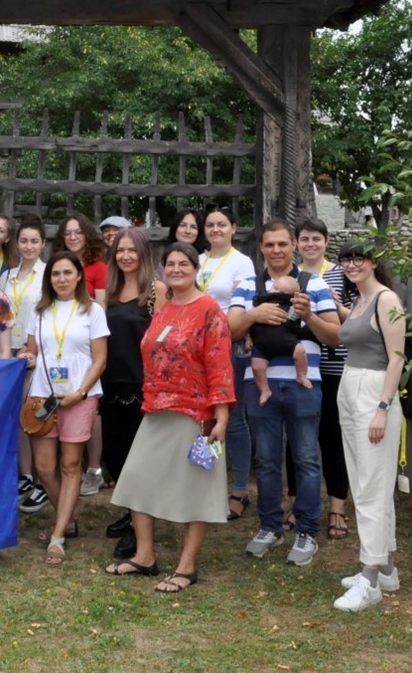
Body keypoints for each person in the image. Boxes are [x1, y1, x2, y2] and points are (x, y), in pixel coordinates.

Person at [105, 242, 234, 592]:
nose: (176, 269)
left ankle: (187, 567)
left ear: (196, 269)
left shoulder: (209, 309)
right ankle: (145, 556)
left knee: (198, 491)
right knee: (134, 480)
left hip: (197, 415)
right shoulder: (163, 307)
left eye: (183, 264)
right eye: (171, 265)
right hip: (157, 409)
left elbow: (220, 365)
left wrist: (220, 417)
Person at [231, 219, 340, 567]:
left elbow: (334, 336)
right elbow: (230, 329)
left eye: (282, 244)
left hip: (303, 382)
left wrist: (310, 317)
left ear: (293, 245)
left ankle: (306, 530)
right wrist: (253, 314)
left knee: (306, 458)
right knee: (264, 459)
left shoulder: (314, 283)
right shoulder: (248, 284)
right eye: (269, 245)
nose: (276, 251)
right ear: (260, 248)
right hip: (259, 382)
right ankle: (269, 526)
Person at [19, 251, 108, 566]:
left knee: (71, 466)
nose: (61, 279)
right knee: (44, 468)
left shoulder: (92, 310)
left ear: (79, 275)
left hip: (79, 396)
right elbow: (31, 349)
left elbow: (100, 358)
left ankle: (58, 536)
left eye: (68, 273)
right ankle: (67, 519)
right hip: (44, 397)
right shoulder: (39, 310)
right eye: (56, 274)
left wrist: (81, 392)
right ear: (49, 279)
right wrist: (24, 356)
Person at [332, 241, 407, 612]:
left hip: (374, 393)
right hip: (350, 388)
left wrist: (382, 408)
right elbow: (358, 331)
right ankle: (387, 566)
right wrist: (333, 303)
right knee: (365, 481)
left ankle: (370, 577)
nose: (351, 264)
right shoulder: (360, 301)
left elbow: (397, 359)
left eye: (358, 258)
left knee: (370, 488)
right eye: (346, 259)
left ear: (374, 262)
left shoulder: (387, 300)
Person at [99, 225, 164, 556]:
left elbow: (166, 341)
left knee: (141, 462)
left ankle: (142, 533)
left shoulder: (156, 291)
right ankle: (131, 514)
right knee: (115, 456)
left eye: (131, 250)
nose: (125, 256)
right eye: (119, 250)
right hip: (111, 384)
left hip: (144, 385)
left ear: (143, 254)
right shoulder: (106, 293)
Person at [197, 205, 257, 521]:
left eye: (222, 224)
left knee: (232, 419)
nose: (216, 230)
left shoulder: (242, 262)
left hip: (228, 347)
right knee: (203, 417)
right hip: (197, 349)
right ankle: (209, 483)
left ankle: (239, 490)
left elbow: (245, 304)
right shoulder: (198, 261)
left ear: (234, 228)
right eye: (210, 225)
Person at [297, 217, 354, 542]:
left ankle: (336, 506)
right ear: (297, 243)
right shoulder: (292, 276)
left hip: (334, 368)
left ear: (325, 241)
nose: (310, 244)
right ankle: (299, 505)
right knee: (298, 440)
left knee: (332, 438)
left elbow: (354, 316)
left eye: (316, 239)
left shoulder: (339, 273)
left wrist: (332, 302)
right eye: (304, 239)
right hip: (299, 369)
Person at [0, 216, 51, 515]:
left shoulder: (49, 274)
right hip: (11, 354)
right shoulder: (6, 276)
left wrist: (34, 349)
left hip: (39, 353)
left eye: (34, 241)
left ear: (43, 243)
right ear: (16, 243)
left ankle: (44, 480)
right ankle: (26, 476)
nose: (29, 246)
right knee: (18, 416)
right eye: (24, 241)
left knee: (37, 415)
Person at [59, 211, 109, 494]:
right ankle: (67, 466)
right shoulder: (57, 266)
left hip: (87, 343)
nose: (73, 237)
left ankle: (94, 468)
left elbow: (101, 306)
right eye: (68, 233)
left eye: (78, 232)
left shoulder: (98, 267)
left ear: (87, 235)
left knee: (90, 407)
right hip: (60, 346)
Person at [248, 275, 313, 402]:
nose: (276, 292)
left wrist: (298, 307)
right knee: (257, 367)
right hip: (262, 342)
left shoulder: (292, 306)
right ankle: (265, 390)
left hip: (287, 339)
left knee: (300, 352)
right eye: (275, 287)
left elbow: (295, 317)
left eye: (282, 291)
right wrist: (248, 338)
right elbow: (249, 322)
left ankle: (301, 375)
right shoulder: (260, 303)